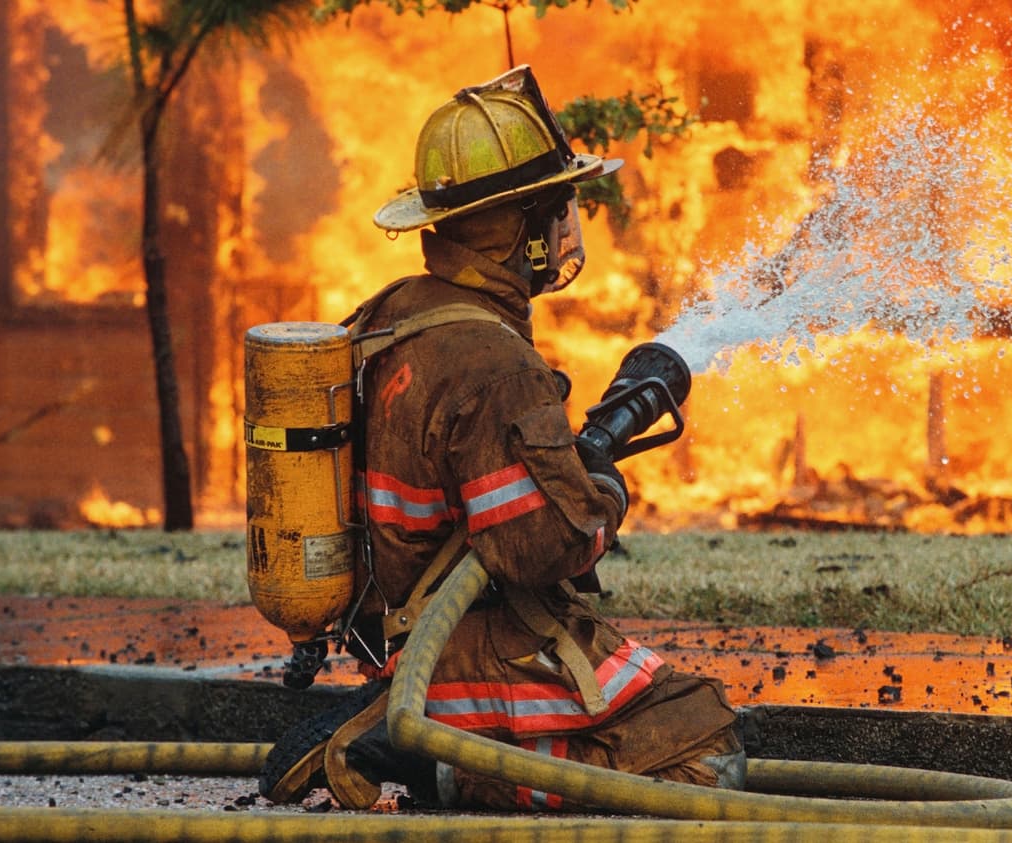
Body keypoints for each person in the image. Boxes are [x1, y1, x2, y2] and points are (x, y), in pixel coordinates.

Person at [259, 65, 743, 812]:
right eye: (557, 210)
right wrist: (603, 494)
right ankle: (419, 756)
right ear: (519, 229)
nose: (566, 229)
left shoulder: (390, 314)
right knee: (705, 750)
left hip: (400, 636)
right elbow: (542, 547)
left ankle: (405, 736)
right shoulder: (495, 367)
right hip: (480, 647)